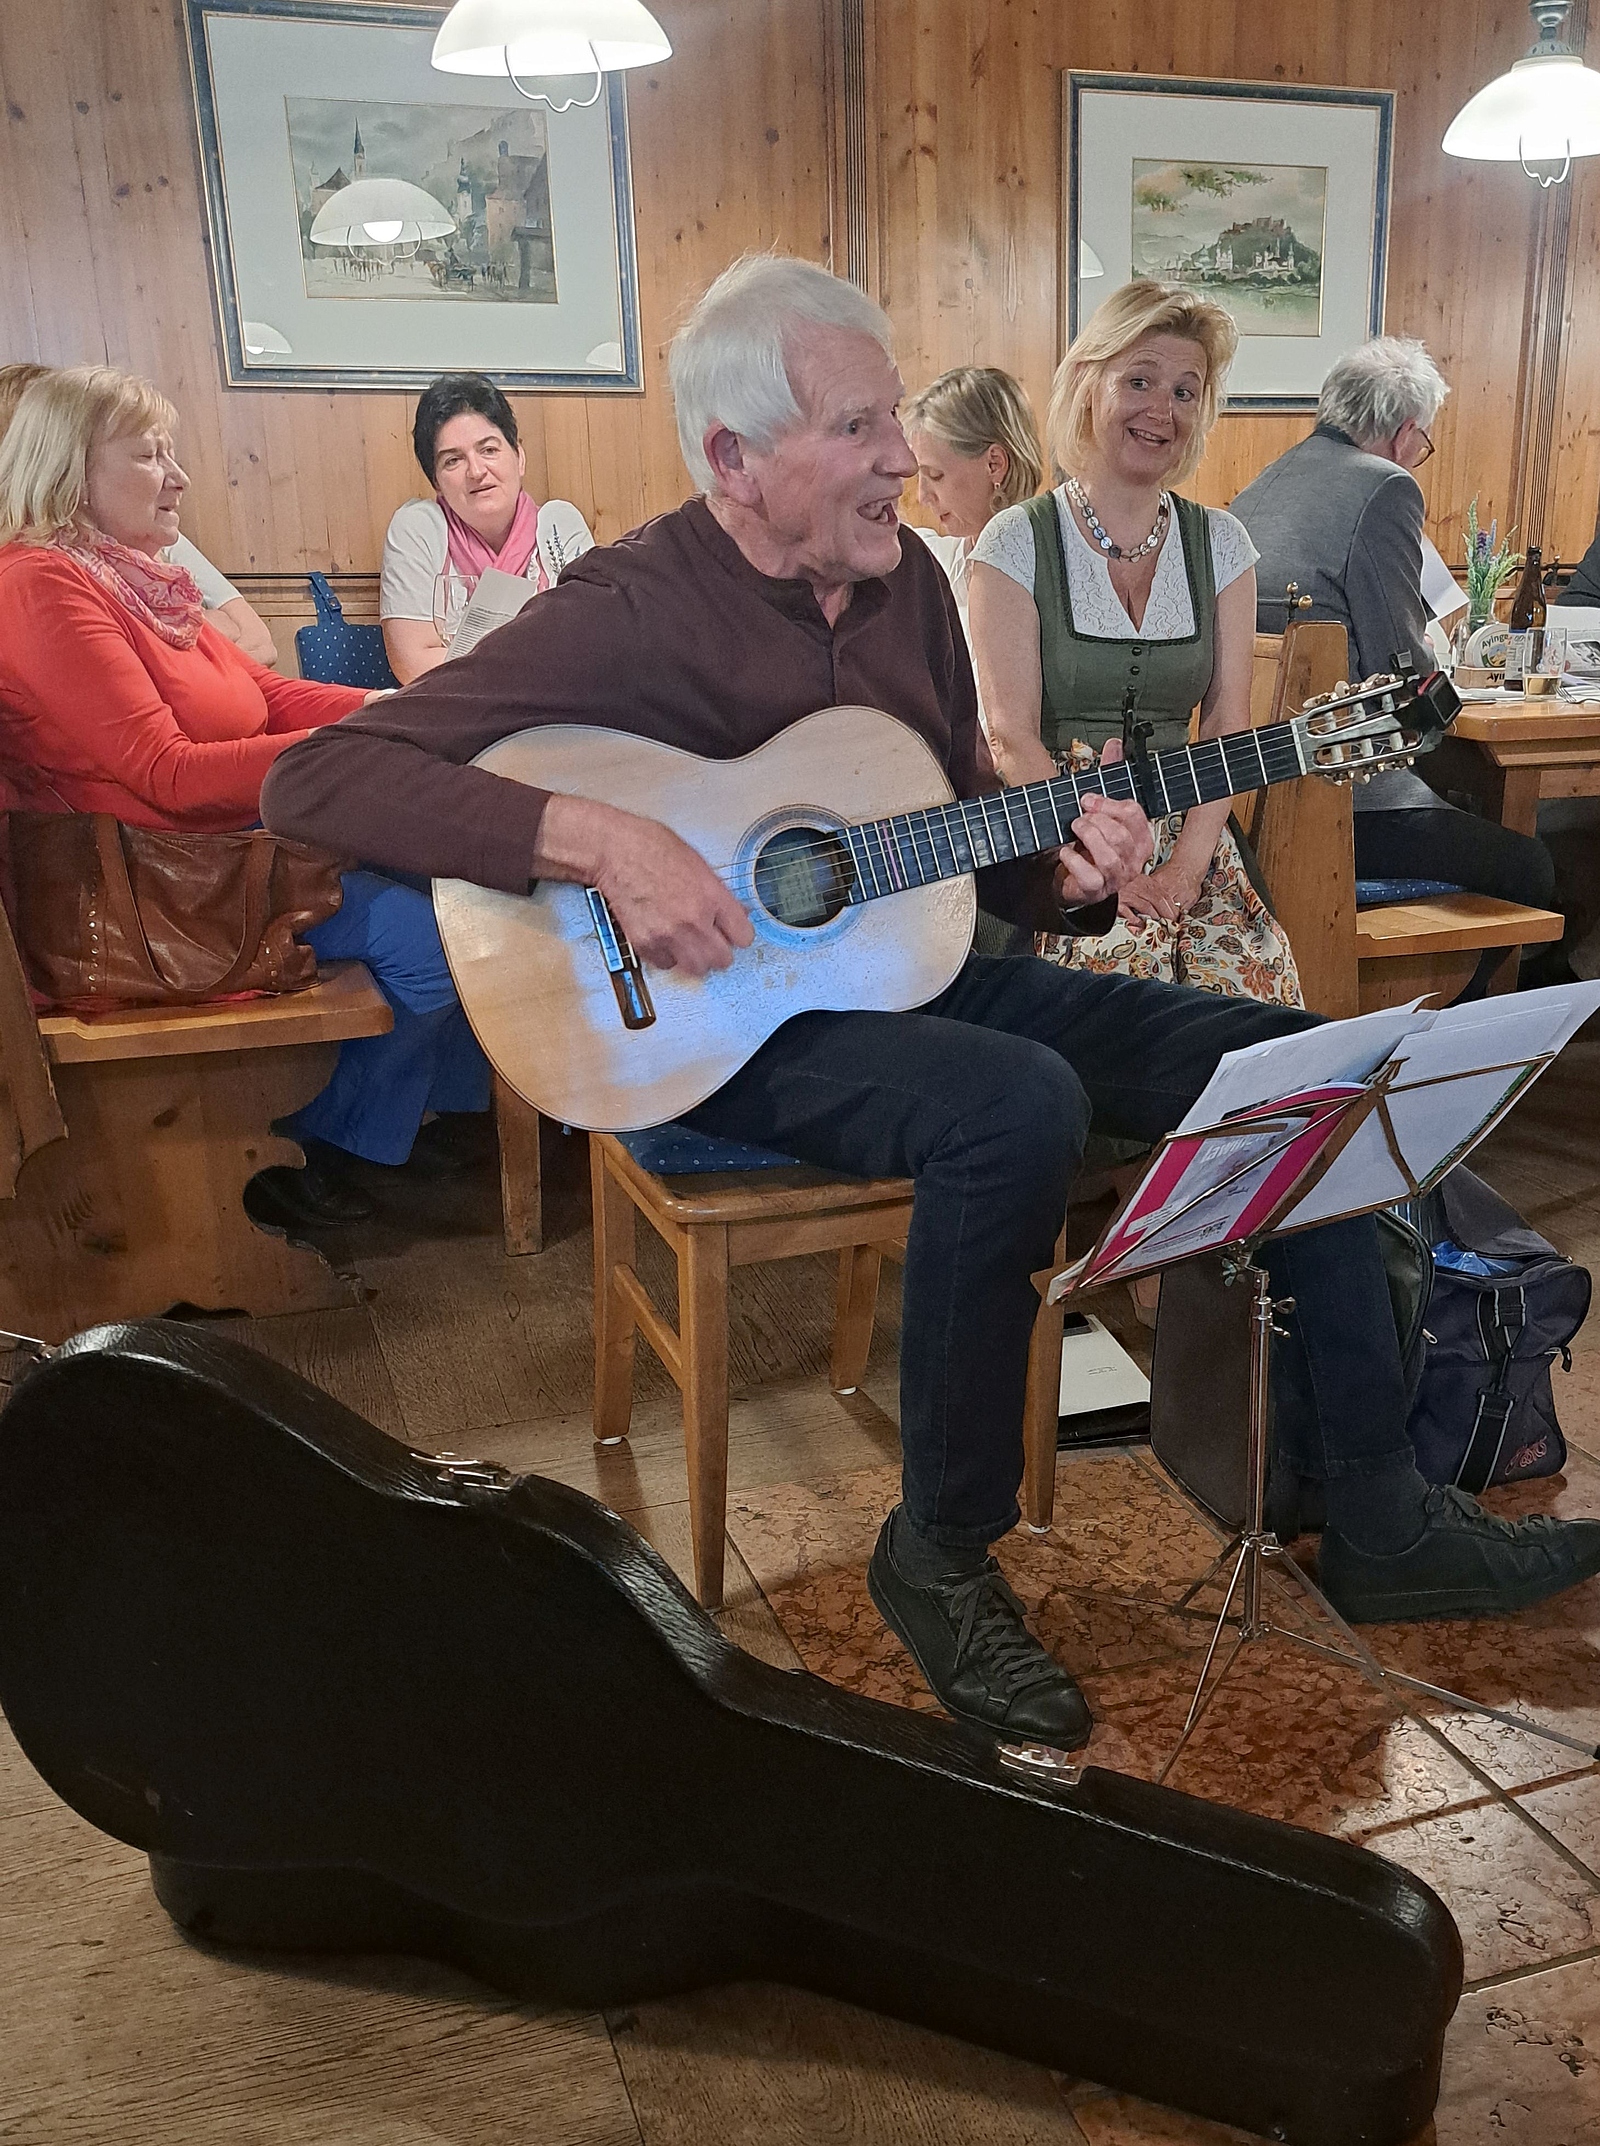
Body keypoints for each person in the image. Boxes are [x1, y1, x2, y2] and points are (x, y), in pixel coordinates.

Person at [262, 255, 1600, 1751]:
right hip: (712, 1030)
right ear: (734, 458)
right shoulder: (628, 604)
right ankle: (940, 1550)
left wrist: (1069, 870)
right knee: (1015, 1104)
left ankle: (1379, 1514)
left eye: (894, 417)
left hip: (909, 973)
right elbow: (313, 779)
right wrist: (593, 839)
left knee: (1311, 1063)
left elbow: (957, 827)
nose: (902, 454)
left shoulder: (904, 584)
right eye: (856, 427)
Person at [0, 365, 491, 1226]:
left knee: (459, 883)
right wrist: (358, 745)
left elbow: (264, 695)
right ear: (71, 470)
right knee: (434, 945)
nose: (179, 476)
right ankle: (309, 1152)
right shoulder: (38, 584)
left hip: (212, 862)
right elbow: (168, 773)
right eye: (149, 455)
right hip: (150, 894)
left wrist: (396, 707)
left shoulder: (129, 578)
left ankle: (418, 1120)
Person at [968, 281, 1301, 1009]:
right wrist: (1097, 864)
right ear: (1089, 386)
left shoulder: (1222, 544)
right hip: (1053, 841)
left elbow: (1226, 724)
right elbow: (1009, 737)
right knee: (1121, 1003)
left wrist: (1184, 870)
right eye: (1140, 381)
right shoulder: (1016, 540)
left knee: (1252, 1005)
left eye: (1185, 392)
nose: (1162, 411)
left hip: (1192, 833)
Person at [1232, 339, 1556, 968]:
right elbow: (1403, 674)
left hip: (1256, 796)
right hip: (1341, 791)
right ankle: (1457, 1023)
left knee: (1463, 814)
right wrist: (1437, 663)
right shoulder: (1386, 486)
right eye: (1424, 443)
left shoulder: (1264, 482)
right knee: (1530, 865)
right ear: (1406, 433)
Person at [0, 362, 279, 665]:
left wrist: (185, 634)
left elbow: (258, 641)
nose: (181, 480)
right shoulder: (38, 570)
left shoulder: (152, 531)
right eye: (148, 455)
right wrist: (185, 631)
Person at [380, 372, 595, 683]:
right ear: (436, 482)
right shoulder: (418, 528)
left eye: (489, 450)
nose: (477, 471)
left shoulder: (559, 524)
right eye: (453, 460)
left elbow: (589, 643)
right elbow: (412, 663)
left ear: (519, 457)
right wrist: (533, 665)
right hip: (453, 704)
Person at [901, 366, 1044, 655]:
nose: (922, 496)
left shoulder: (1056, 572)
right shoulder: (933, 563)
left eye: (936, 475)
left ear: (994, 464)